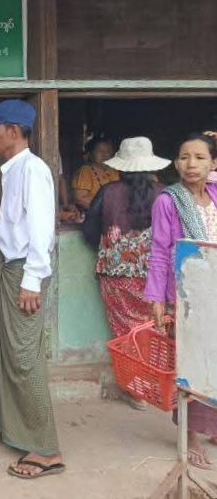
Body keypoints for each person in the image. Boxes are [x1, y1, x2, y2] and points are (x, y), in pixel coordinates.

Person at [0, 99, 64, 479]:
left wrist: (32, 281)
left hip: (25, 273)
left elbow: (42, 230)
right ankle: (15, 427)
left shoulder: (33, 170)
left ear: (14, 131)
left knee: (24, 357)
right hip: (13, 270)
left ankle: (46, 450)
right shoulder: (14, 170)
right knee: (9, 352)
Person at [146, 132, 217, 469]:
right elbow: (160, 250)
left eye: (200, 157)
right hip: (186, 294)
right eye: (185, 157)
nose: (191, 164)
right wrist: (156, 298)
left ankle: (213, 428)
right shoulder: (168, 201)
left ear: (213, 164)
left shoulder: (215, 194)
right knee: (190, 364)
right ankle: (189, 433)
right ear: (175, 163)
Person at [82, 137, 169, 410]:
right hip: (156, 275)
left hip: (117, 275)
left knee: (126, 331)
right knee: (155, 329)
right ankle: (156, 384)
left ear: (120, 166)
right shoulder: (166, 194)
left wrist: (114, 244)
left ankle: (137, 391)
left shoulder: (107, 192)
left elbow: (89, 232)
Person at [72, 137, 120, 212]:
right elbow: (80, 198)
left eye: (108, 151)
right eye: (100, 151)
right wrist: (104, 209)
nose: (104, 154)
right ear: (90, 154)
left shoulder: (114, 171)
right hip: (94, 214)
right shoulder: (85, 171)